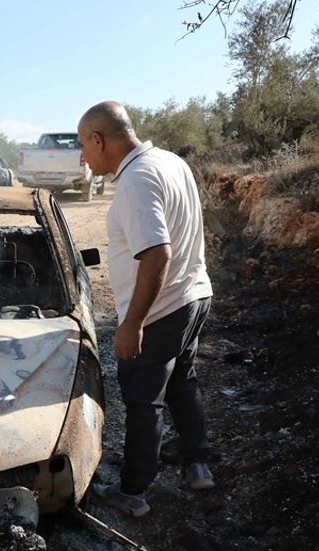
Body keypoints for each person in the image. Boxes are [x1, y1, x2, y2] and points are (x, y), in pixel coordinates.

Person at [77, 100, 215, 518]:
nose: (84, 157)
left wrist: (131, 324)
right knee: (182, 384)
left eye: (85, 145)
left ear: (99, 139)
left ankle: (134, 491)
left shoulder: (136, 180)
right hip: (195, 296)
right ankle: (198, 465)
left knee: (143, 399)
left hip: (161, 311)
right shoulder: (170, 161)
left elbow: (157, 254)